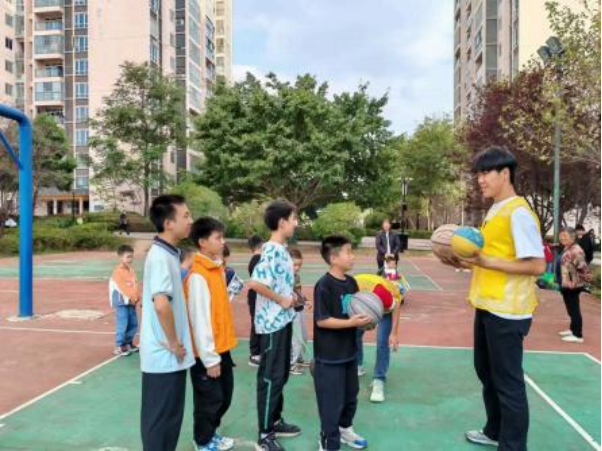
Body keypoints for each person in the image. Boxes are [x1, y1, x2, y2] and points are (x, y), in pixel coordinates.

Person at [460, 147, 546, 451]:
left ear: (505, 173)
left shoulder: (518, 212)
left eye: (486, 173)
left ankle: (513, 446)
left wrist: (485, 262)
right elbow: (494, 256)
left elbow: (537, 265)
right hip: (487, 304)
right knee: (486, 373)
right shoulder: (496, 209)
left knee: (508, 383)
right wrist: (468, 260)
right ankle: (494, 430)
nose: (480, 180)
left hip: (508, 311)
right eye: (478, 174)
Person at [140, 195, 196, 451]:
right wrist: (174, 343)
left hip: (167, 355)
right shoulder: (160, 256)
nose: (190, 220)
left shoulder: (168, 253)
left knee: (168, 421)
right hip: (164, 356)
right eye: (185, 216)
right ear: (168, 223)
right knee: (161, 423)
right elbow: (161, 304)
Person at [247, 200, 302, 451]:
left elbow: (279, 282)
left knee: (281, 375)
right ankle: (265, 434)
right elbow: (255, 283)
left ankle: (275, 420)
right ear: (282, 222)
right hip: (272, 324)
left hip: (283, 320)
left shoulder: (282, 249)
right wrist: (281, 299)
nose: (296, 223)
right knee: (271, 378)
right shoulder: (270, 251)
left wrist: (293, 297)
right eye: (293, 219)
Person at [185, 217, 238, 451]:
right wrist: (209, 358)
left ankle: (211, 433)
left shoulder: (216, 269)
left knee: (224, 396)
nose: (222, 241)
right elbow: (200, 320)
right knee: (209, 400)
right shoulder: (198, 275)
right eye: (218, 237)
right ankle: (203, 440)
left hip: (222, 346)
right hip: (207, 354)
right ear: (203, 242)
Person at [314, 235, 371, 451]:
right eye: (348, 252)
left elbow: (356, 312)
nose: (352, 256)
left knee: (350, 397)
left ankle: (345, 429)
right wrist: (351, 323)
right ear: (333, 258)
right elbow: (322, 320)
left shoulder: (351, 282)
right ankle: (328, 440)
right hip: (329, 357)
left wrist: (367, 321)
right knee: (331, 402)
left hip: (349, 352)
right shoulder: (324, 285)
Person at [356, 265, 402, 402]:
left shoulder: (384, 294)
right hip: (363, 303)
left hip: (385, 308)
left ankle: (379, 379)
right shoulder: (352, 290)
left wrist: (394, 333)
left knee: (382, 341)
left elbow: (396, 307)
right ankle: (357, 365)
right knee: (354, 334)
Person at [558, 227, 594, 344]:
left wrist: (587, 277)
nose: (562, 238)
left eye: (565, 236)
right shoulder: (567, 247)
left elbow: (583, 267)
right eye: (561, 236)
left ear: (572, 237)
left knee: (574, 309)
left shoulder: (576, 250)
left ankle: (578, 335)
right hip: (566, 283)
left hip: (573, 284)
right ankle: (572, 329)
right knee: (570, 308)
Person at [109, 244, 140, 356]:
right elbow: (122, 287)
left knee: (133, 323)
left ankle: (128, 343)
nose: (130, 259)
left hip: (131, 302)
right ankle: (119, 346)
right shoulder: (117, 272)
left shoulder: (131, 271)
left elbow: (135, 285)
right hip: (122, 302)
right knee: (123, 323)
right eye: (128, 257)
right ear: (120, 257)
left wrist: (136, 297)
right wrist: (132, 297)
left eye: (132, 256)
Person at [289, 248, 310, 376]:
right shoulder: (285, 277)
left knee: (304, 337)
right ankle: (291, 364)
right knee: (295, 340)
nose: (297, 268)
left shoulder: (296, 276)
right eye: (294, 265)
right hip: (291, 311)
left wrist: (305, 300)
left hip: (299, 309)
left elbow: (298, 292)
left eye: (299, 265)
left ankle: (300, 359)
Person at [247, 235, 265, 368]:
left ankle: (258, 352)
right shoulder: (259, 260)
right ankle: (255, 354)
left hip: (257, 295)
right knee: (257, 323)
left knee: (258, 323)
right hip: (257, 295)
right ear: (262, 244)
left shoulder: (255, 260)